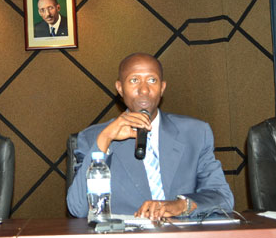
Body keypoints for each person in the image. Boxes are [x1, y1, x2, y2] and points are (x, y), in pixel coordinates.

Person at [66, 53, 234, 220]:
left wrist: (180, 205)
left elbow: (222, 197)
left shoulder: (196, 133)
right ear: (120, 88)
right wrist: (105, 140)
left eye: (152, 80)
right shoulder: (93, 137)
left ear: (162, 87)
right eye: (134, 80)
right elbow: (78, 208)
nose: (144, 89)